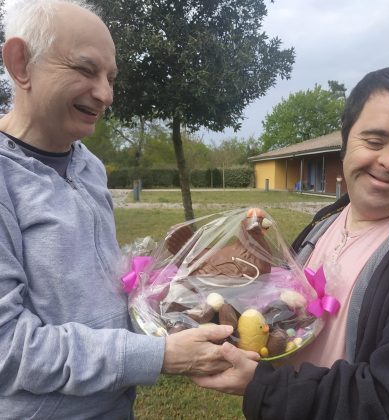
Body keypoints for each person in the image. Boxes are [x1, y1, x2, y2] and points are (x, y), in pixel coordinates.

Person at [0, 1, 256, 418]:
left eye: (110, 77)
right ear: (21, 63)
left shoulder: (88, 165)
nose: (106, 94)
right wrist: (156, 356)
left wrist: (173, 301)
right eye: (86, 70)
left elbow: (94, 285)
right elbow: (8, 349)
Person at [192, 66, 389, 419]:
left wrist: (263, 385)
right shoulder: (326, 221)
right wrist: (226, 311)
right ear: (345, 142)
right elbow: (284, 315)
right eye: (375, 141)